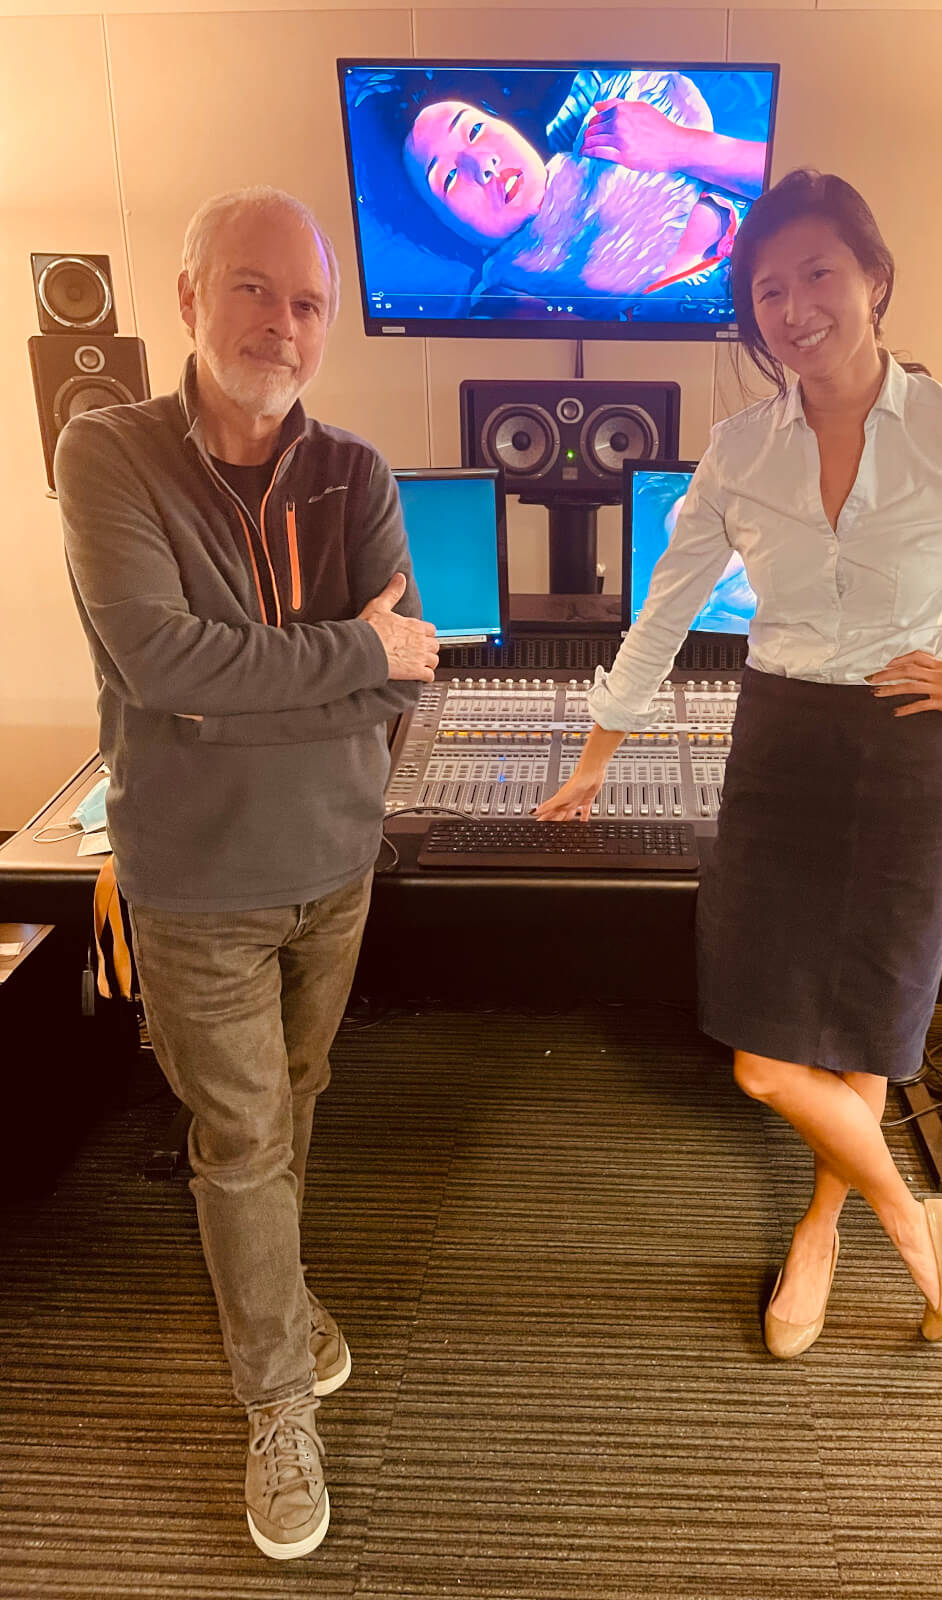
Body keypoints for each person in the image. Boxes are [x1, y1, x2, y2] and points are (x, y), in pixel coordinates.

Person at [535, 168, 942, 1355]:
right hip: (778, 749)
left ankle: (828, 1228)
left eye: (817, 273)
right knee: (768, 1062)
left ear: (875, 279)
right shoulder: (736, 452)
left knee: (866, 1029)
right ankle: (913, 1210)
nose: (792, 306)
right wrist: (597, 752)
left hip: (903, 748)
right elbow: (662, 615)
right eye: (767, 288)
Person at [55, 187, 439, 1560]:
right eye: (253, 289)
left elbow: (409, 680)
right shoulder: (107, 454)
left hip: (334, 861)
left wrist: (265, 691)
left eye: (309, 302)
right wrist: (348, 659)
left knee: (297, 1099)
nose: (282, 322)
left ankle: (271, 1293)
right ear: (188, 298)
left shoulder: (359, 475)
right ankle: (277, 1397)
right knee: (242, 1138)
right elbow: (166, 666)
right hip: (198, 878)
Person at [398, 68, 767, 311]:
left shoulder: (632, 106)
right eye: (447, 178)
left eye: (475, 130)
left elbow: (806, 185)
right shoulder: (512, 299)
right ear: (451, 231)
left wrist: (681, 147)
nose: (482, 165)